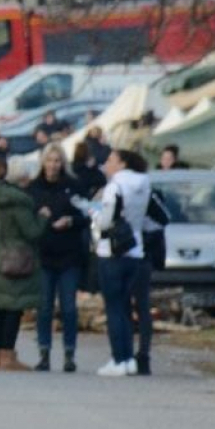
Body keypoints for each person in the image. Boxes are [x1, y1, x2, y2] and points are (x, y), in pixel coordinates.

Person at [90, 148, 153, 377]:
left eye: (110, 160)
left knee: (114, 308)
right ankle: (129, 360)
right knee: (125, 307)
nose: (107, 164)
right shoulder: (144, 184)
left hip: (112, 252)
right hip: (135, 249)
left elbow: (106, 220)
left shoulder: (114, 186)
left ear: (122, 163)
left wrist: (94, 215)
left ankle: (119, 358)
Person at [28, 145, 90, 372]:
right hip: (44, 254)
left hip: (69, 255)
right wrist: (40, 218)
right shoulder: (34, 188)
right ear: (43, 162)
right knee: (44, 307)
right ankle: (44, 352)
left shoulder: (73, 187)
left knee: (69, 308)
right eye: (49, 160)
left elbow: (87, 215)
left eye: (57, 161)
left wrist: (71, 221)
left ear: (62, 163)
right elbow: (27, 220)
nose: (53, 165)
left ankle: (69, 354)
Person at [0, 154, 45, 370]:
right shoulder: (20, 202)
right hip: (19, 261)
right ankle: (9, 357)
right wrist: (43, 217)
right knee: (14, 309)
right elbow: (32, 232)